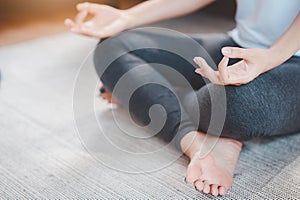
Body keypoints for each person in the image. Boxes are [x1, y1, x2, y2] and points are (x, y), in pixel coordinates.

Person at [65, 0, 300, 196]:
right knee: (113, 46)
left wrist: (271, 57)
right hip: (238, 46)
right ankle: (192, 139)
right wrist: (127, 17)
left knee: (238, 105)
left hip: (293, 61)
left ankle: (157, 92)